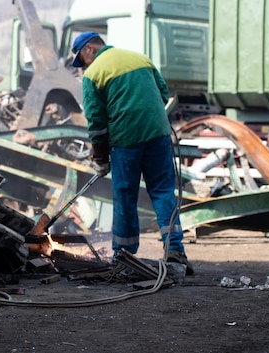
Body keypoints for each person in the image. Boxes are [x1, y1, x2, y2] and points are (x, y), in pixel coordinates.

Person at [70, 31, 193, 275]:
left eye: (81, 60)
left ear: (89, 50)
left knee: (126, 196)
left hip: (126, 140)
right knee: (163, 192)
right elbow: (163, 94)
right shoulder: (140, 59)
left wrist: (100, 159)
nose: (82, 66)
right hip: (158, 134)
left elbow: (96, 122)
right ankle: (175, 252)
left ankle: (123, 255)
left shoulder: (93, 74)